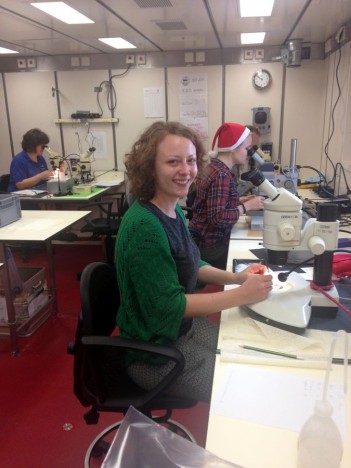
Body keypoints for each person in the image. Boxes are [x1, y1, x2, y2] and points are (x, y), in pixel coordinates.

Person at [115, 121, 273, 402]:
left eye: (190, 161)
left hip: (180, 331)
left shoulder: (171, 207)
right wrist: (240, 295)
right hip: (152, 352)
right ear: (150, 167)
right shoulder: (144, 226)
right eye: (173, 162)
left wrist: (236, 278)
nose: (185, 170)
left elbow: (193, 262)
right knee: (240, 390)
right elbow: (169, 306)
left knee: (245, 352)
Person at [188, 122, 265, 270]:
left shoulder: (215, 167)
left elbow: (214, 203)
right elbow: (217, 218)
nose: (249, 154)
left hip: (202, 241)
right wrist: (246, 206)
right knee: (249, 257)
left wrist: (238, 201)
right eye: (247, 149)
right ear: (233, 148)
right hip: (211, 247)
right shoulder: (222, 175)